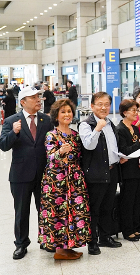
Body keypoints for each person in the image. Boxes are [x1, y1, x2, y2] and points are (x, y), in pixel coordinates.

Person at [0, 87, 54, 259]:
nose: (38, 99)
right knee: (21, 211)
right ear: (22, 102)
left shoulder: (46, 120)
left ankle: (46, 240)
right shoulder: (11, 121)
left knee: (44, 209)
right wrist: (14, 133)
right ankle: (21, 244)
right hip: (20, 174)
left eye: (38, 96)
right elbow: (3, 145)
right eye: (34, 97)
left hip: (44, 173)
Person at [38, 98, 90, 260]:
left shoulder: (75, 135)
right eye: (63, 112)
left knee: (74, 212)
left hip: (74, 178)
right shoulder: (51, 135)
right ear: (56, 115)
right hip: (56, 181)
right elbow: (50, 157)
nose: (67, 114)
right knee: (58, 212)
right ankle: (59, 250)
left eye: (69, 111)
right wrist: (60, 152)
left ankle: (68, 246)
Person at [79, 92, 122, 255]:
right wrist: (97, 129)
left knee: (108, 206)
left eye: (107, 104)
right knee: (94, 209)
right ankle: (92, 241)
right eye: (100, 104)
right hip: (96, 173)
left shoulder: (111, 123)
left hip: (112, 171)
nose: (104, 107)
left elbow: (112, 146)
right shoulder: (86, 125)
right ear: (92, 106)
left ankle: (105, 237)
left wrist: (119, 157)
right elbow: (89, 145)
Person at [115, 99, 140, 243]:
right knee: (128, 202)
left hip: (138, 169)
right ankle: (127, 230)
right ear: (124, 112)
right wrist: (138, 144)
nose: (136, 113)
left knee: (137, 201)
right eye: (133, 110)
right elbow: (124, 151)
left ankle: (135, 228)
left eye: (137, 110)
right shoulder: (120, 129)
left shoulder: (135, 128)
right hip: (127, 171)